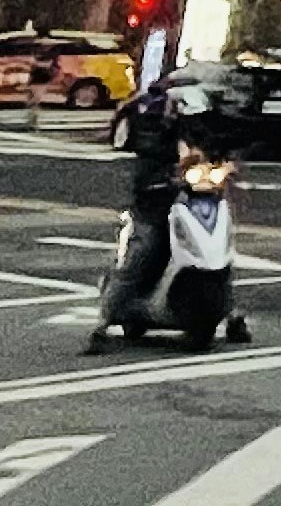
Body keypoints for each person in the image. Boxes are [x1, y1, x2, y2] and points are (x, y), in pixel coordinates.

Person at [90, 73, 230, 342]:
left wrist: (223, 165)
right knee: (143, 251)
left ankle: (228, 311)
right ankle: (105, 320)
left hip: (190, 198)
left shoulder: (199, 124)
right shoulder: (153, 122)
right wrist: (165, 175)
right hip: (153, 201)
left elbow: (215, 147)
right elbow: (145, 149)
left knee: (217, 250)